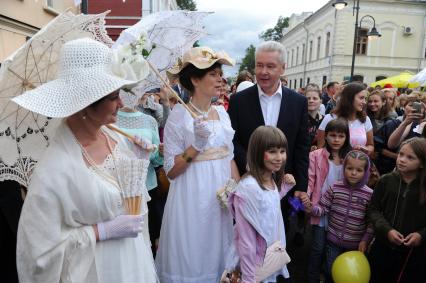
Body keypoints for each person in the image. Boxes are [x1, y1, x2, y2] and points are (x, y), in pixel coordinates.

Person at [13, 38, 158, 282]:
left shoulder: (118, 141)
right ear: (85, 105)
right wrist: (100, 231)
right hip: (98, 271)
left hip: (133, 262)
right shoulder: (54, 169)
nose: (121, 103)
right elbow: (38, 255)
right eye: (113, 96)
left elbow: (129, 205)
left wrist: (137, 164)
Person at [155, 46, 240, 283]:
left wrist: (238, 190)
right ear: (194, 79)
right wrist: (197, 145)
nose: (220, 79)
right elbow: (171, 170)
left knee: (219, 250)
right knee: (194, 249)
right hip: (192, 196)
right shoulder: (178, 117)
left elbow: (229, 155)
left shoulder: (222, 113)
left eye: (220, 73)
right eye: (213, 73)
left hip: (220, 196)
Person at [228, 40, 309, 194]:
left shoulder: (298, 102)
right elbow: (232, 140)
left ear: (283, 68)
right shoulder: (238, 100)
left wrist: (301, 187)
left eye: (270, 66)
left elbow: (302, 148)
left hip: (284, 185)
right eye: (259, 65)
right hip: (248, 184)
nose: (263, 71)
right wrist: (251, 164)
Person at [225, 126, 294, 282]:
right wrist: (250, 278)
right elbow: (246, 240)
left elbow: (268, 205)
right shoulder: (249, 188)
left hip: (268, 256)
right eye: (272, 152)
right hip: (253, 264)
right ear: (257, 153)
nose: (279, 157)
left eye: (282, 151)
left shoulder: (270, 178)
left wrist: (283, 189)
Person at [303, 150, 374, 281]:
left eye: (359, 170)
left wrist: (365, 239)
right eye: (349, 168)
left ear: (366, 172)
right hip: (333, 241)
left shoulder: (370, 195)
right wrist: (311, 208)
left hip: (355, 245)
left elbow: (371, 222)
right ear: (344, 168)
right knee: (332, 270)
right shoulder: (335, 187)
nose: (353, 173)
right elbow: (323, 208)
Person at [368, 138, 426, 283]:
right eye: (401, 154)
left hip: (413, 255)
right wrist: (387, 230)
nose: (402, 160)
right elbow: (373, 209)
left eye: (410, 157)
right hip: (383, 247)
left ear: (422, 163)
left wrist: (421, 235)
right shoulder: (386, 181)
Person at [305, 118, 351, 283]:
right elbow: (311, 180)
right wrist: (307, 200)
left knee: (334, 248)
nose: (336, 140)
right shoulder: (316, 155)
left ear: (347, 137)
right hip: (320, 207)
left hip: (341, 210)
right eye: (332, 135)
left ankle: (329, 275)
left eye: (341, 136)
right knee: (318, 246)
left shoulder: (350, 157)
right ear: (326, 136)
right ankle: (312, 278)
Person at [317, 82, 374, 156]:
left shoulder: (365, 119)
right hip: (332, 165)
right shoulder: (330, 118)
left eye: (365, 98)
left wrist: (364, 149)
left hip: (356, 165)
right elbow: (320, 148)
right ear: (349, 98)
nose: (364, 102)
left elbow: (370, 145)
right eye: (361, 98)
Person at [305, 83, 324, 150]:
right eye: (308, 98)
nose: (311, 101)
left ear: (320, 101)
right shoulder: (299, 119)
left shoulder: (324, 120)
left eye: (315, 98)